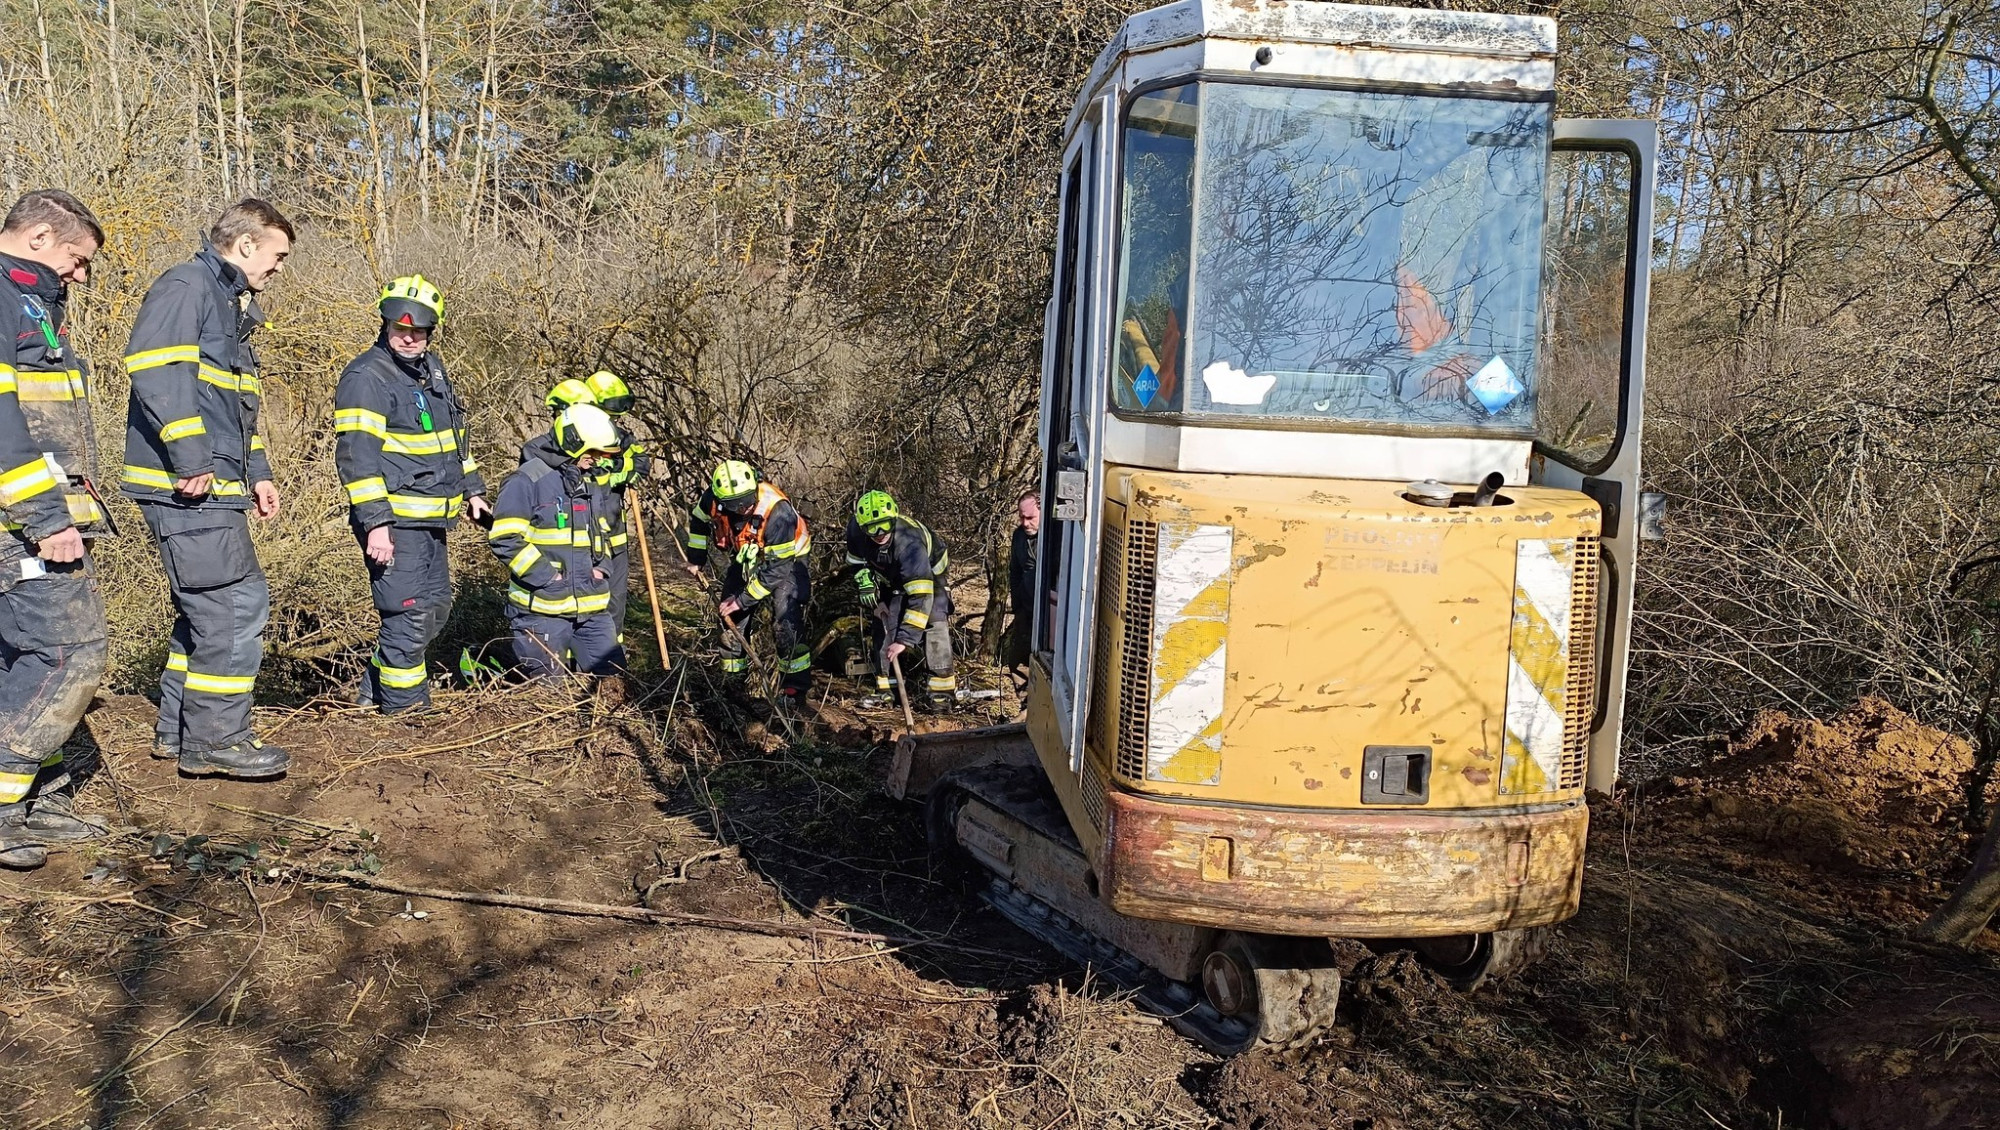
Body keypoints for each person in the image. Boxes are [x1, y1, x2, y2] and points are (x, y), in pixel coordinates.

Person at [122, 198, 294, 780]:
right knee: (234, 606)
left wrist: (258, 472)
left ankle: (179, 730)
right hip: (191, 485)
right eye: (277, 255)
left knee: (204, 610)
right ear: (246, 244)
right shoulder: (188, 286)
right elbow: (154, 368)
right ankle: (217, 740)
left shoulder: (225, 303)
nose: (278, 268)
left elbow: (234, 409)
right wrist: (191, 456)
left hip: (215, 483)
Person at [0, 190, 111, 868]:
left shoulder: (30, 303)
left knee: (21, 657)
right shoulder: (4, 298)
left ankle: (39, 797)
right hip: (23, 521)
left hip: (33, 517)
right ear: (39, 236)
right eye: (76, 257)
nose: (81, 273)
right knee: (71, 652)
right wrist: (44, 517)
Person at [333, 274, 487, 714]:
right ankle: (404, 712)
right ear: (385, 325)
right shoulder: (366, 377)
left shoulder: (432, 371)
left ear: (430, 332)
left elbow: (454, 442)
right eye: (400, 329)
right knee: (408, 614)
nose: (408, 338)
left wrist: (473, 491)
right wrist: (377, 525)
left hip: (433, 517)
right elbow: (357, 459)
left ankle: (372, 692)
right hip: (395, 522)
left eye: (418, 331)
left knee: (435, 608)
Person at [488, 403, 626, 678]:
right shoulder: (525, 481)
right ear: (573, 443)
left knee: (615, 683)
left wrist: (602, 569)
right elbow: (505, 538)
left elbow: (601, 532)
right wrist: (549, 578)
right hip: (542, 612)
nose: (598, 460)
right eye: (593, 452)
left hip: (592, 609)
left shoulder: (589, 481)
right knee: (548, 693)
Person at [682, 459, 812, 703]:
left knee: (785, 617)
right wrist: (696, 559)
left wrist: (742, 599)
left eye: (748, 501)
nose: (745, 508)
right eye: (738, 505)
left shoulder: (778, 513)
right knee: (729, 615)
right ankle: (733, 686)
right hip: (749, 556)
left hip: (788, 559)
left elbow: (777, 570)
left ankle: (794, 690)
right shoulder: (713, 499)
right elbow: (698, 520)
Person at [542, 371, 649, 644]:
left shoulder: (619, 437)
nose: (613, 421)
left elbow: (640, 462)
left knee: (614, 606)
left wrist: (617, 471)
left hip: (614, 537)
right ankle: (573, 663)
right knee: (580, 608)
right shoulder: (563, 443)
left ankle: (611, 660)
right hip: (580, 541)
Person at [845, 490, 955, 711]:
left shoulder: (910, 545)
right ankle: (887, 690)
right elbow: (855, 561)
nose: (879, 533)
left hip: (929, 574)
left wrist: (904, 640)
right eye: (872, 528)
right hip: (891, 575)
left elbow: (921, 596)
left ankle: (941, 693)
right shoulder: (855, 531)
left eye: (885, 525)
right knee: (885, 622)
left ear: (893, 519)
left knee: (934, 620)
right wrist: (868, 589)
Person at [1003, 490, 1040, 671]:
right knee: (1016, 664)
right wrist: (1017, 606)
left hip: (1049, 616)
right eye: (1022, 517)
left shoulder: (1058, 537)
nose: (1025, 523)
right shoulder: (1019, 536)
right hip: (1025, 611)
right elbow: (1015, 572)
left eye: (1030, 518)